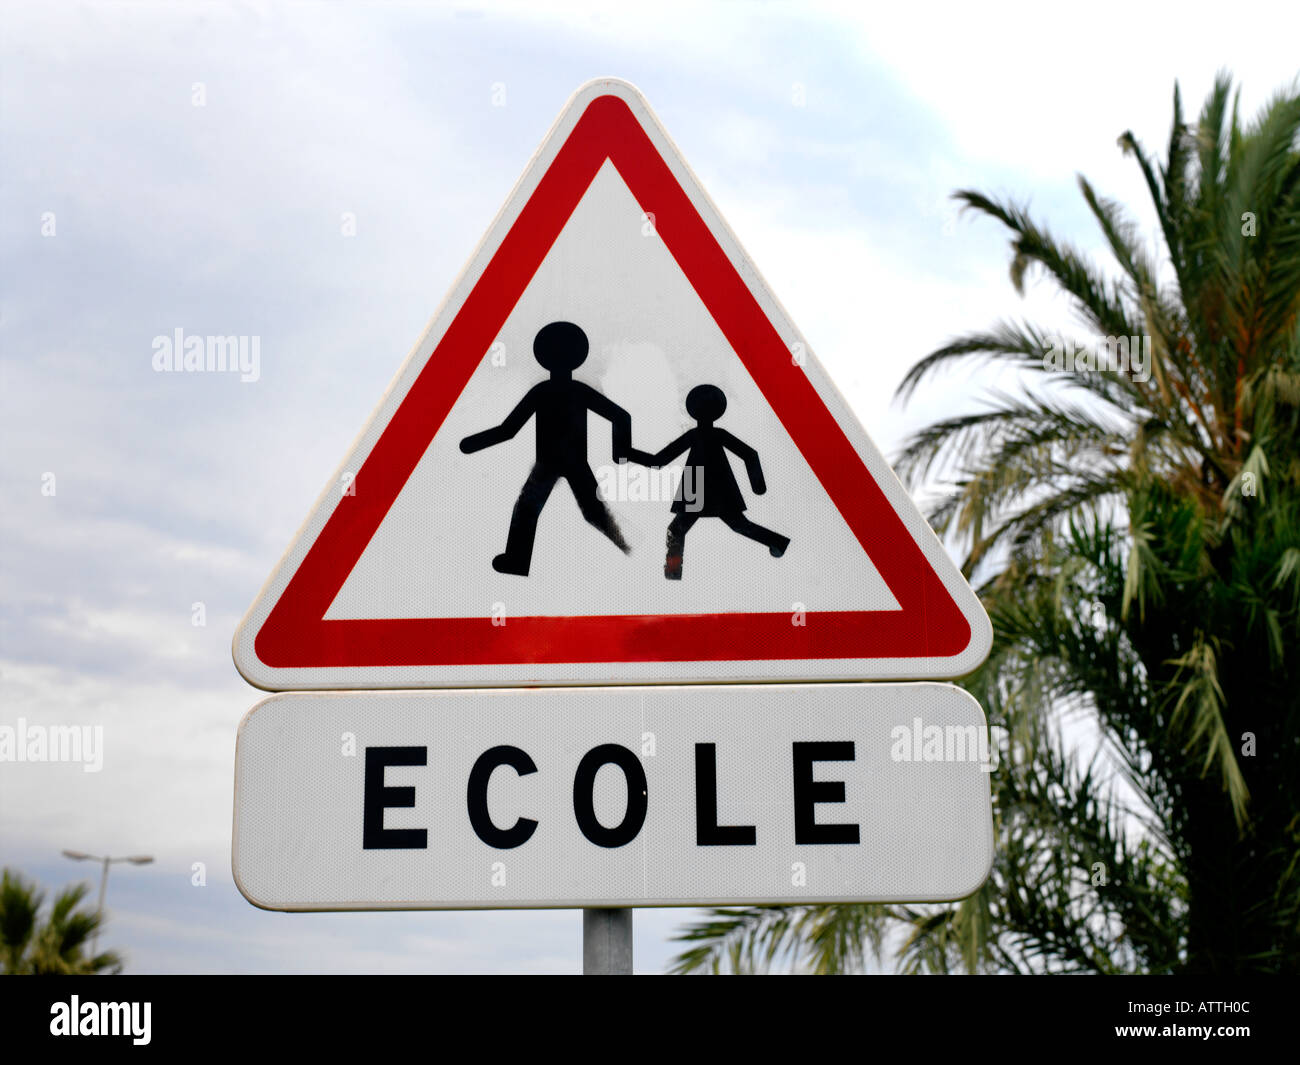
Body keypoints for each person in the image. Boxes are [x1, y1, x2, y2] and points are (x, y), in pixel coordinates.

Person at [460, 321, 631, 576]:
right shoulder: (576, 390)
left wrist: (472, 444)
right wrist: (621, 451)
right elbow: (621, 417)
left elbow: (508, 429)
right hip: (569, 462)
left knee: (529, 510)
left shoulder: (544, 391)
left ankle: (517, 561)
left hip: (550, 463)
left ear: (543, 356)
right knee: (592, 512)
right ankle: (628, 549)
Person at [626, 384, 789, 580]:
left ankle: (673, 572)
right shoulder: (716, 434)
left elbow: (659, 460)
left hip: (697, 489)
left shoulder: (696, 435)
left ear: (692, 410)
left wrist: (629, 455)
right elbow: (749, 455)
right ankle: (777, 542)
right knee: (736, 525)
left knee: (677, 530)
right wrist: (758, 486)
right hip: (719, 489)